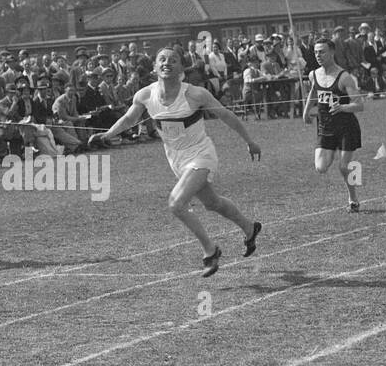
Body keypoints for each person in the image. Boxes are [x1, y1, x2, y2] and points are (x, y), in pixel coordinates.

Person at [89, 47, 261, 277]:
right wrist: (106, 135)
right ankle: (250, 228)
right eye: (162, 59)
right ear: (154, 67)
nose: (166, 63)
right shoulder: (145, 95)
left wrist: (249, 141)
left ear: (181, 68)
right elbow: (129, 118)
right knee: (212, 203)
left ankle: (210, 251)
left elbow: (226, 115)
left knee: (176, 204)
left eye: (173, 60)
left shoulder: (195, 94)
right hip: (177, 160)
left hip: (201, 154)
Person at [303, 37, 365, 212]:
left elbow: (359, 105)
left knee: (344, 167)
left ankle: (353, 199)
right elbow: (313, 92)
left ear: (332, 52)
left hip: (346, 127)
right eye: (316, 52)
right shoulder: (313, 74)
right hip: (325, 128)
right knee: (321, 167)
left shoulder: (345, 77)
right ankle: (346, 161)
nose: (318, 55)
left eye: (322, 51)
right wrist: (306, 111)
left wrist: (342, 107)